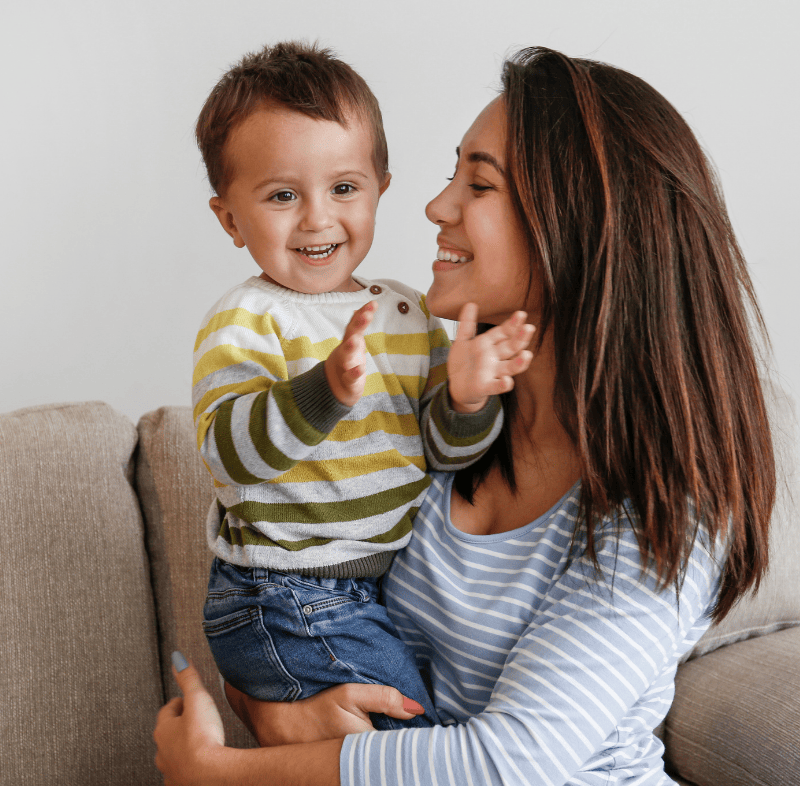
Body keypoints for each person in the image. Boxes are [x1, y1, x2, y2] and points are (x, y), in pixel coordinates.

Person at [155, 46, 775, 785]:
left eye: (478, 183)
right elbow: (295, 611)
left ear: (575, 226)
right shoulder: (433, 418)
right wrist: (267, 707)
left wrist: (215, 771)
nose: (435, 206)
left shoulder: (665, 507)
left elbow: (510, 762)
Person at [191, 41, 535, 731]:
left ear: (381, 186)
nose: (317, 218)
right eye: (283, 195)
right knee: (410, 738)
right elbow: (228, 456)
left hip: (375, 589)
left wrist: (466, 400)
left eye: (344, 189)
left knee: (413, 733)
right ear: (230, 219)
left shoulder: (409, 312)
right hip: (283, 592)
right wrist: (322, 393)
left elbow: (442, 451)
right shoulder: (248, 318)